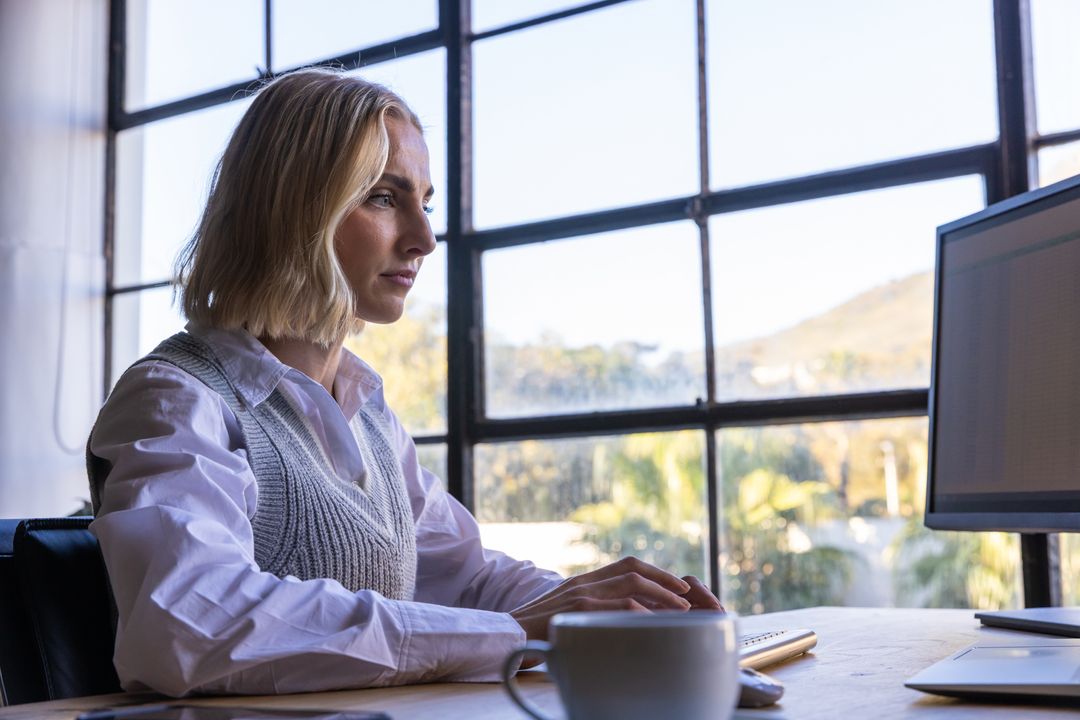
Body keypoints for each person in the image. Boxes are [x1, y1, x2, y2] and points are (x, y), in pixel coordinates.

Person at [86, 68, 722, 698]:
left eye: (426, 202)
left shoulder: (368, 416)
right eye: (384, 198)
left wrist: (605, 613)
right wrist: (512, 634)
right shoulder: (175, 399)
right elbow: (191, 627)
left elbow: (466, 580)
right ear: (289, 208)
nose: (424, 238)